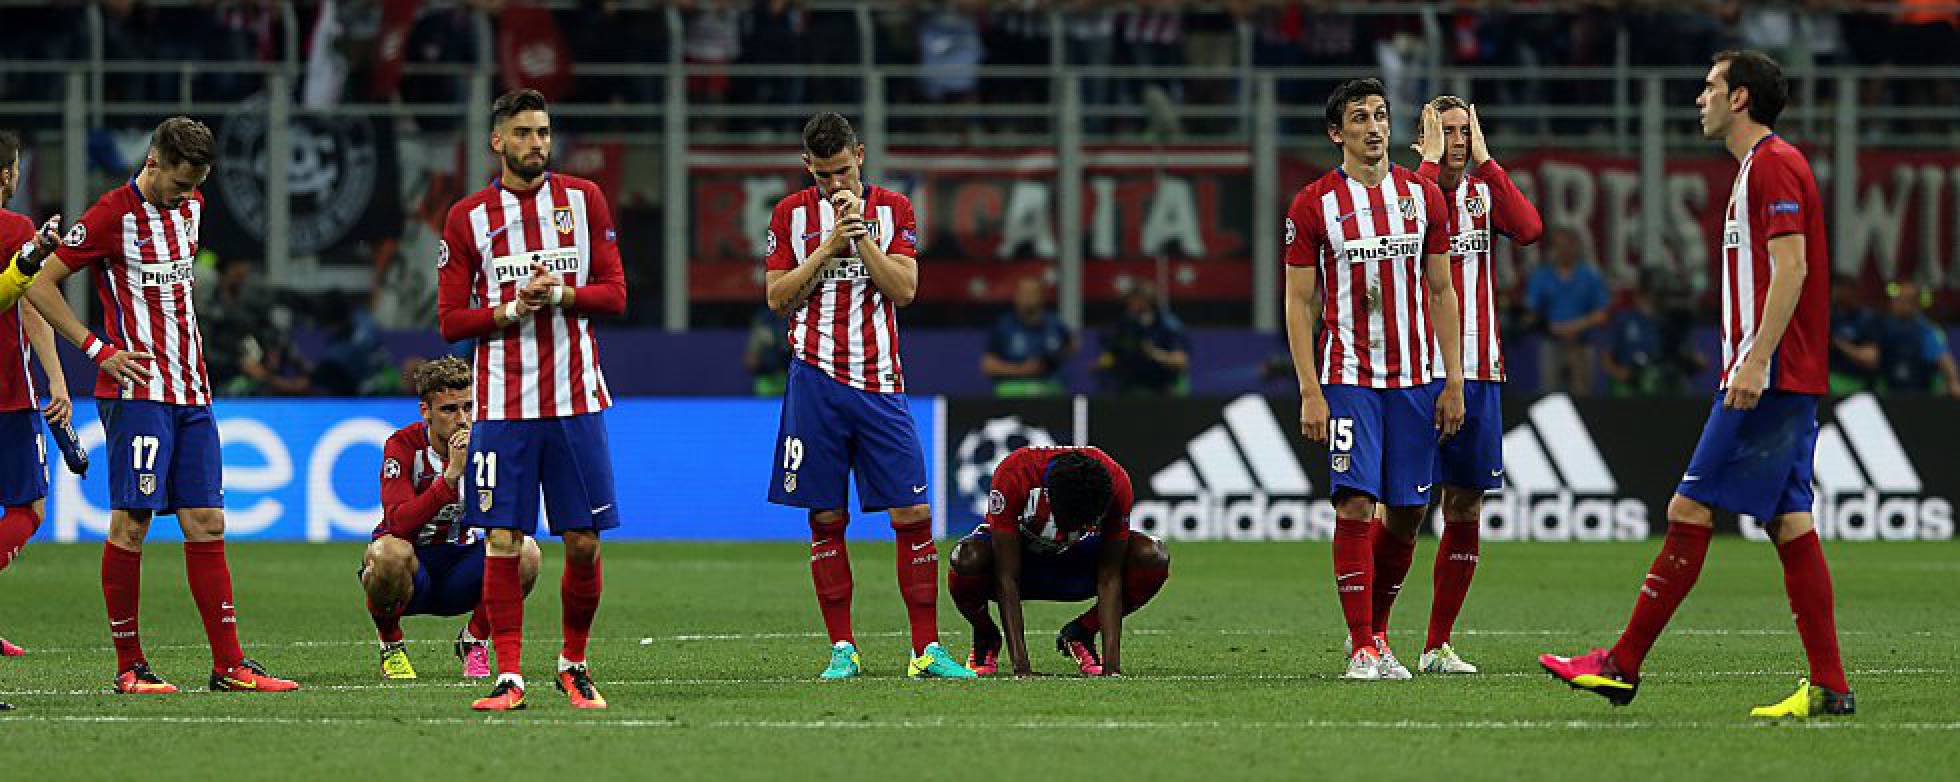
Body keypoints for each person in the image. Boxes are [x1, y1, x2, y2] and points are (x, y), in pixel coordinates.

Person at [1541, 49, 1853, 719]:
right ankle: (1830, 685)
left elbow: (1792, 269)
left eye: (1710, 87)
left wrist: (1756, 359)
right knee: (1788, 520)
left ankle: (1621, 665)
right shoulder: (1755, 170)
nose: (1699, 98)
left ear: (1740, 98)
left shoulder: (1774, 165)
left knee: (1688, 511)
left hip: (1769, 375)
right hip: (1777, 373)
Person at [23, 117, 299, 695]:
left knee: (207, 522)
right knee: (132, 522)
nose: (185, 194)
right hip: (136, 395)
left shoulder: (193, 208)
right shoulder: (109, 215)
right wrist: (98, 350)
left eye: (195, 184)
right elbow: (41, 284)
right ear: (153, 161)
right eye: (178, 182)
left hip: (191, 390)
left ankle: (230, 666)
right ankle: (129, 668)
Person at [763, 112, 974, 680]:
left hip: (880, 383)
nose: (835, 184)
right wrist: (828, 246)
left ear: (860, 155)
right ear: (808, 165)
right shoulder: (789, 215)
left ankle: (926, 651)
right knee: (826, 516)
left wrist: (861, 242)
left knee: (914, 512)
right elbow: (777, 296)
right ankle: (843, 649)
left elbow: (904, 290)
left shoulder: (895, 209)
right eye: (824, 173)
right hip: (814, 381)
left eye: (843, 170)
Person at [437, 89, 627, 711]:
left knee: (583, 542)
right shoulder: (468, 218)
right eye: (522, 133)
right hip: (503, 406)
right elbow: (450, 322)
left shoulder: (583, 199)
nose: (536, 144)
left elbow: (616, 294)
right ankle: (508, 677)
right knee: (501, 540)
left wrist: (564, 295)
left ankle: (574, 664)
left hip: (575, 400)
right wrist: (511, 308)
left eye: (543, 132)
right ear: (497, 142)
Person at [1283, 78, 1466, 681]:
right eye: (1360, 118)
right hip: (1349, 379)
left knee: (1408, 514)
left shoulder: (1424, 197)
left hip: (1417, 380)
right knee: (1356, 501)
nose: (1375, 127)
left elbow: (1442, 290)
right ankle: (1361, 645)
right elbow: (1300, 302)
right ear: (1337, 132)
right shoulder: (1313, 204)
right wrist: (1311, 388)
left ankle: (1378, 634)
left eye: (1382, 116)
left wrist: (1455, 379)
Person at [1385, 94, 1542, 675]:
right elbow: (1420, 210)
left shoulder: (1481, 195)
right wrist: (1430, 162)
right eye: (1443, 131)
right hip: (1415, 371)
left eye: (1461, 130)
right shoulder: (1403, 194)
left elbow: (1528, 229)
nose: (1455, 140)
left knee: (1466, 502)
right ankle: (1373, 638)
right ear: (1422, 140)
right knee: (1403, 509)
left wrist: (1487, 158)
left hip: (1481, 370)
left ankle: (1435, 645)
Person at [360, 356, 541, 680]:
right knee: (386, 553)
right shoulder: (402, 446)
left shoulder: (490, 445)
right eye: (448, 410)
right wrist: (452, 475)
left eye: (469, 407)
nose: (462, 419)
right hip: (414, 574)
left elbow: (510, 517)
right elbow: (399, 523)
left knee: (526, 551)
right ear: (425, 411)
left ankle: (474, 642)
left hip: (463, 568)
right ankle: (391, 645)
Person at [947, 446, 1169, 677]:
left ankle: (1082, 632)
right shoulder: (1014, 474)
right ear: (1049, 499)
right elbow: (1007, 577)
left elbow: (1109, 576)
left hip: (1075, 563)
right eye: (1077, 522)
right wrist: (1022, 668)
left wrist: (1111, 669)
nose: (1087, 528)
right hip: (1020, 565)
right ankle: (986, 636)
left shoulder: (1116, 483)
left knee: (1152, 555)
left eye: (1092, 523)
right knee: (966, 557)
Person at [0, 130, 75, 707]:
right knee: (28, 508)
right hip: (6, 395)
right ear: (7, 175)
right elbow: (30, 307)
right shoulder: (17, 233)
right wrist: (55, 378)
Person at [1524, 224, 1608, 395]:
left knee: (1583, 396)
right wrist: (1550, 326)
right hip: (1551, 342)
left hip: (1581, 344)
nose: (1564, 251)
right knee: (1549, 395)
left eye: (1568, 245)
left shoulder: (1589, 276)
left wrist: (1574, 327)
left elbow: (1601, 315)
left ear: (1576, 247)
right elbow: (1530, 314)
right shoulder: (1542, 276)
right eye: (1559, 246)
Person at [982, 276, 1074, 397]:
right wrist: (1021, 370)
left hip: (1049, 387)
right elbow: (988, 366)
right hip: (1013, 388)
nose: (1028, 297)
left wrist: (1052, 361)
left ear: (1042, 296)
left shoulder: (1055, 325)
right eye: (1023, 293)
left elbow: (1071, 345)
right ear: (1016, 297)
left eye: (1032, 293)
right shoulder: (1003, 327)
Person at [1098, 281, 1189, 395]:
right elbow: (1113, 353)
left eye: (1135, 299)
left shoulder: (1168, 325)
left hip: (1163, 388)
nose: (1130, 304)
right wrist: (1101, 364)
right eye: (1129, 300)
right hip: (1129, 388)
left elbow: (1180, 361)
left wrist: (1152, 353)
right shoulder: (1124, 325)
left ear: (1147, 301)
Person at [1873, 280, 1960, 397]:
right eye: (1897, 299)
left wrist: (1953, 382)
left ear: (1915, 304)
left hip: (1918, 394)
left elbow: (1944, 359)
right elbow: (1873, 355)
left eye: (1904, 300)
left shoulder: (1926, 330)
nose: (1897, 304)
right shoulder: (1884, 326)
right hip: (1888, 393)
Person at [1826, 274, 1879, 394]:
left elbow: (1870, 359)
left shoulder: (1866, 319)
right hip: (1830, 382)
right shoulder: (1826, 317)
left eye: (1844, 289)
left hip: (1859, 384)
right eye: (1836, 288)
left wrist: (1839, 344)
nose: (1839, 293)